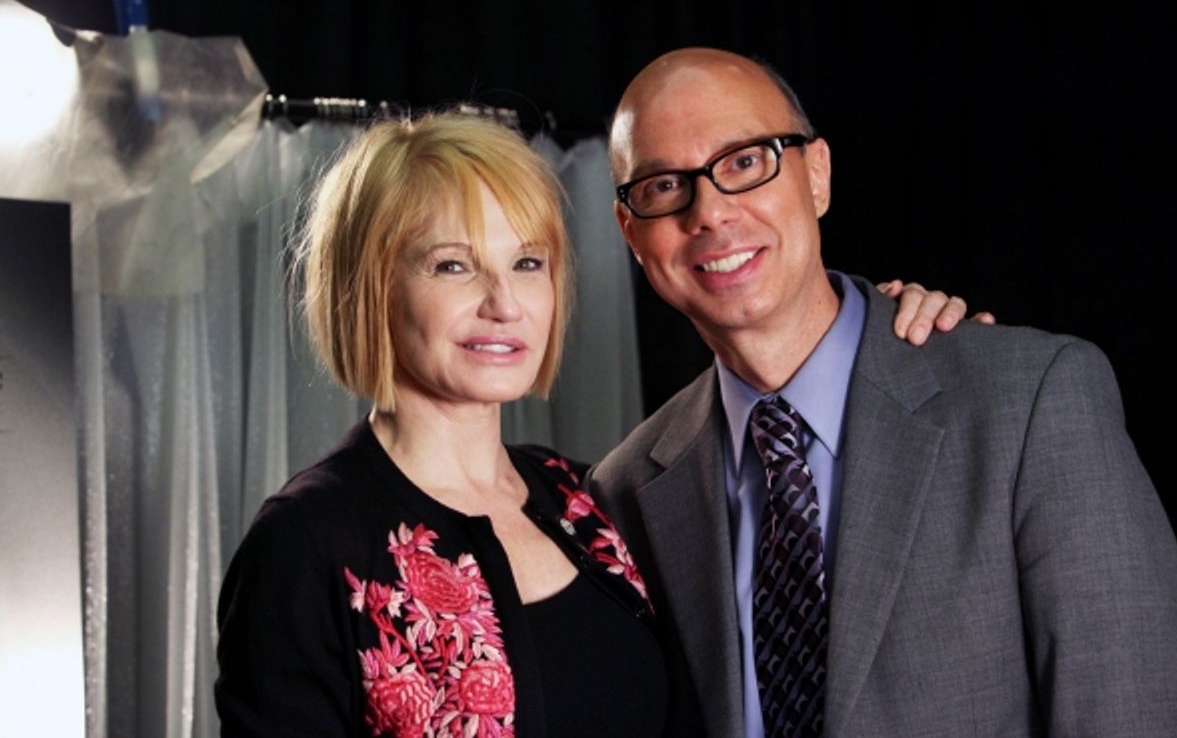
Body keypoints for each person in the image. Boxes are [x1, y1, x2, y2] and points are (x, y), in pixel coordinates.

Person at [214, 109, 974, 737]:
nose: (503, 303)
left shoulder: (586, 497)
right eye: (452, 265)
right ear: (368, 288)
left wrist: (890, 335)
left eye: (528, 263)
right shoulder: (306, 543)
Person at [588, 47, 1177, 738]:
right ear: (631, 233)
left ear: (816, 175)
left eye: (744, 162)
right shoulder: (624, 492)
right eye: (664, 185)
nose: (709, 212)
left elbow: (1135, 710)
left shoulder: (1030, 401)